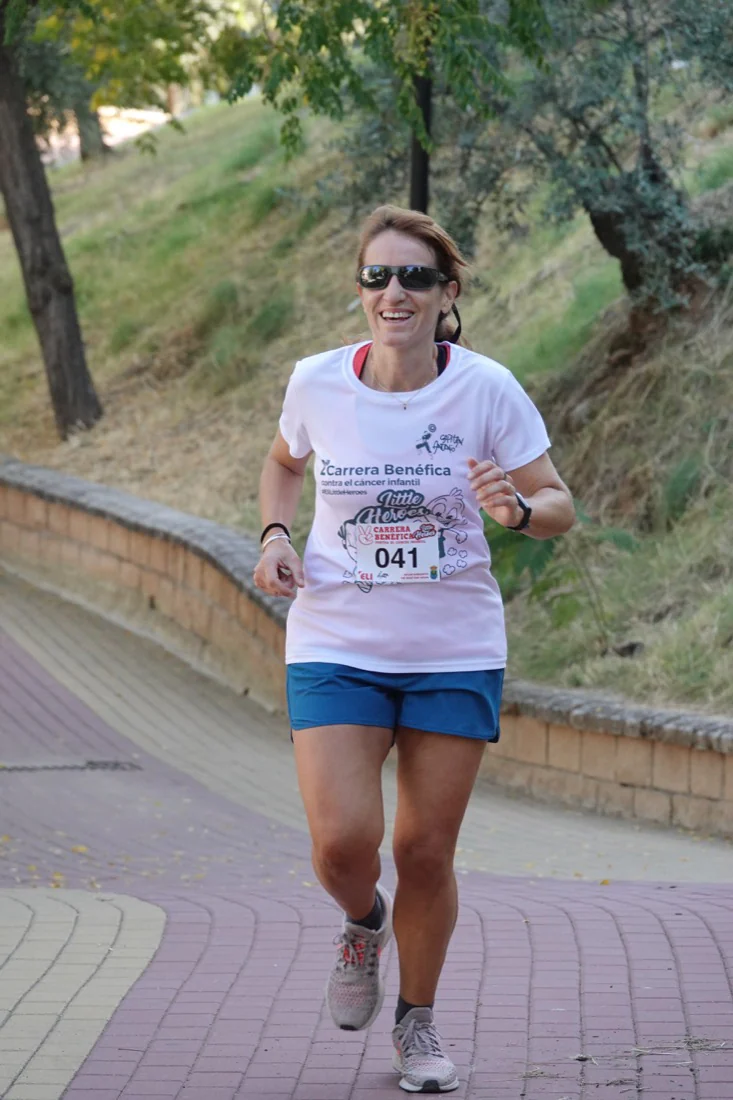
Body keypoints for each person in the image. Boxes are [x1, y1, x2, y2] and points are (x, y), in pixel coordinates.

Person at [253, 204, 575, 1094]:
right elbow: (284, 461)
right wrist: (278, 534)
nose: (393, 292)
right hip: (334, 639)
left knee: (425, 849)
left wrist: (510, 507)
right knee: (341, 848)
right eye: (376, 276)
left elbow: (558, 506)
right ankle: (363, 923)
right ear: (360, 290)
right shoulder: (317, 382)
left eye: (414, 277)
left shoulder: (485, 390)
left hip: (452, 647)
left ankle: (418, 1023)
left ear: (446, 294)